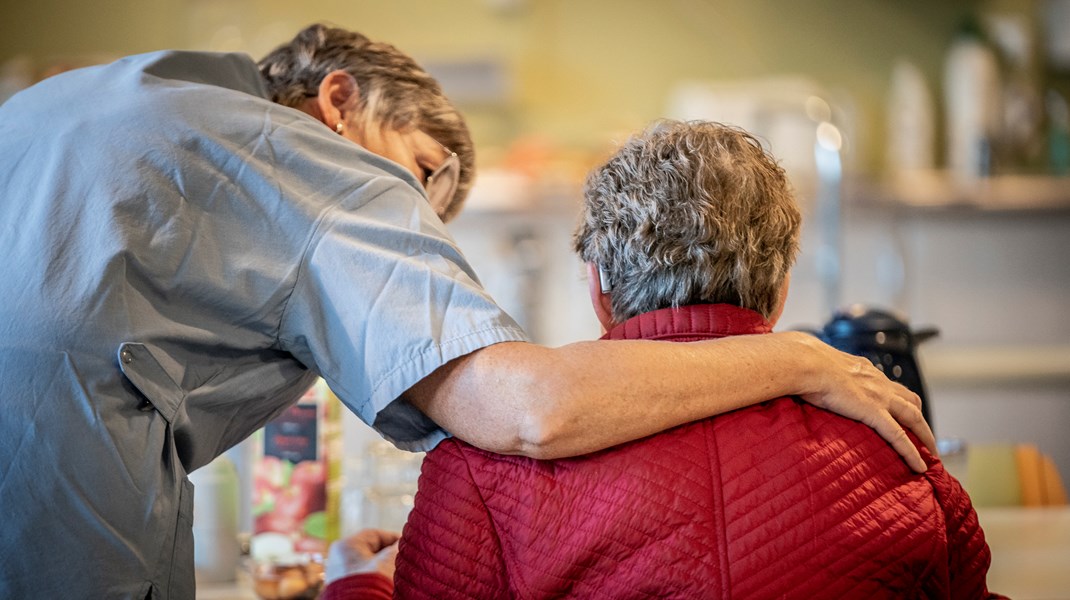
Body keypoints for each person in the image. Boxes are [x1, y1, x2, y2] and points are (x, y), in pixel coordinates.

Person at [0, 24, 931, 599]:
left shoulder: (93, 101)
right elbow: (530, 411)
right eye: (416, 180)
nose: (408, 229)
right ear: (338, 102)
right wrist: (802, 359)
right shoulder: (316, 165)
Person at [376, 121, 999, 599]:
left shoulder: (480, 464)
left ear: (598, 288)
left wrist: (355, 584)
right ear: (780, 292)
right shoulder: (893, 439)